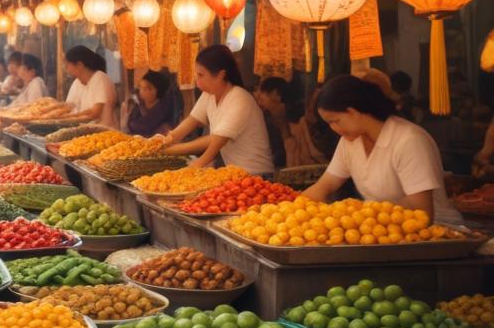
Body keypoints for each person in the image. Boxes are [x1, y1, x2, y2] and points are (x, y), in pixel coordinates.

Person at [302, 75, 460, 225]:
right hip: (379, 232)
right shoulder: (349, 143)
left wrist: (360, 214)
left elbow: (421, 209)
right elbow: (324, 186)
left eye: (335, 121)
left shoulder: (409, 140)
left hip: (437, 232)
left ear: (352, 112)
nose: (334, 129)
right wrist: (293, 209)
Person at [162, 45, 275, 174]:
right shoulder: (209, 95)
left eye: (201, 75)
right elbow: (191, 121)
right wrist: (166, 141)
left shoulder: (240, 98)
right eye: (196, 75)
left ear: (221, 75)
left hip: (257, 176)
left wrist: (171, 152)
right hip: (234, 176)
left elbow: (215, 143)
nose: (197, 82)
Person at [63, 46, 118, 127]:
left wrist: (68, 118)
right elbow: (68, 107)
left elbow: (94, 113)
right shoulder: (77, 82)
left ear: (79, 64)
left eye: (67, 65)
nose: (66, 69)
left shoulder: (100, 78)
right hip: (84, 134)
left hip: (104, 134)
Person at [126, 70, 176, 137]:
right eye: (141, 87)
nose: (142, 91)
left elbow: (145, 126)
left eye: (148, 88)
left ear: (158, 90)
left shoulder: (163, 107)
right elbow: (130, 124)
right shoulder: (138, 105)